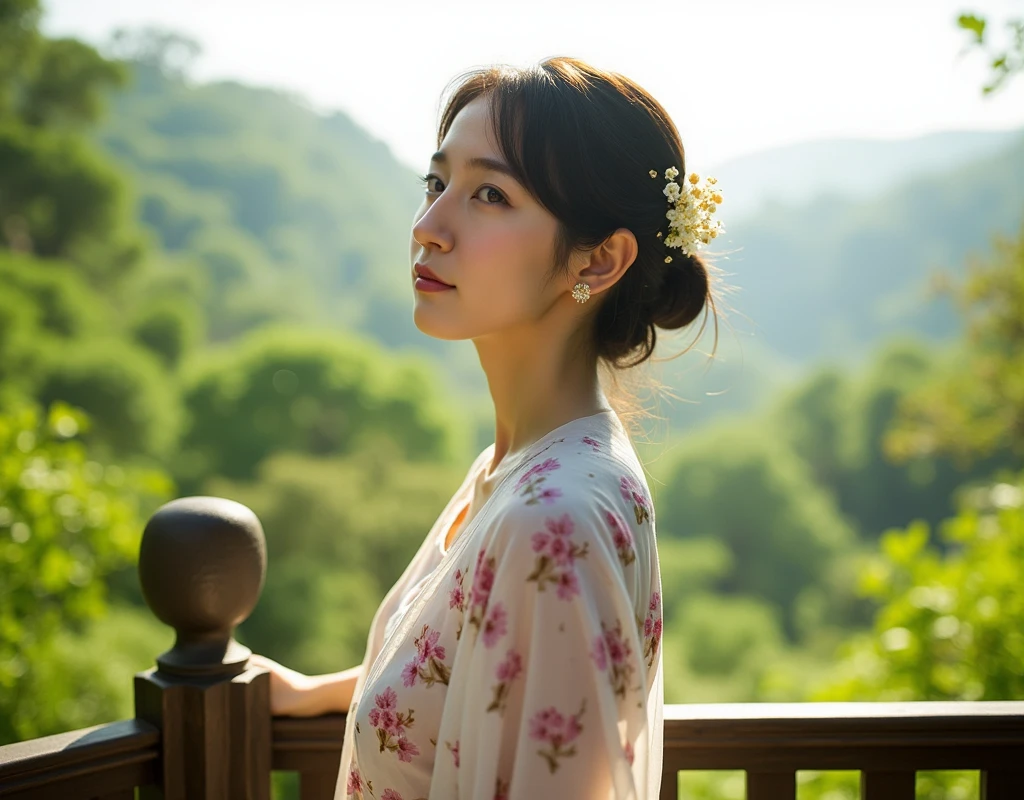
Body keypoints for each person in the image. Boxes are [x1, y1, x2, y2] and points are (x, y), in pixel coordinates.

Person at [250, 55, 723, 800]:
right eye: (437, 184)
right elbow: (484, 667)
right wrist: (333, 690)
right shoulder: (518, 468)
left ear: (598, 261)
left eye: (491, 195)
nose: (429, 227)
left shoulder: (553, 520)